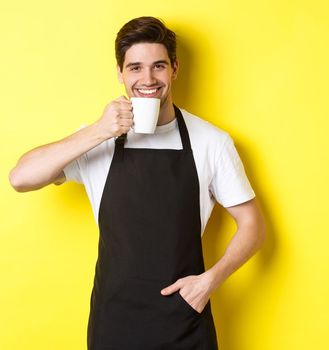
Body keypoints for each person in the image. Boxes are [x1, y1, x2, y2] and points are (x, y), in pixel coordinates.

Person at [8, 16, 266, 349]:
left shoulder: (211, 142)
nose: (147, 79)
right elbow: (20, 178)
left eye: (158, 66)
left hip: (185, 321)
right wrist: (100, 130)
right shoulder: (97, 137)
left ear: (174, 68)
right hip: (114, 322)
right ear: (119, 72)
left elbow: (252, 225)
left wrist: (209, 282)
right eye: (135, 68)